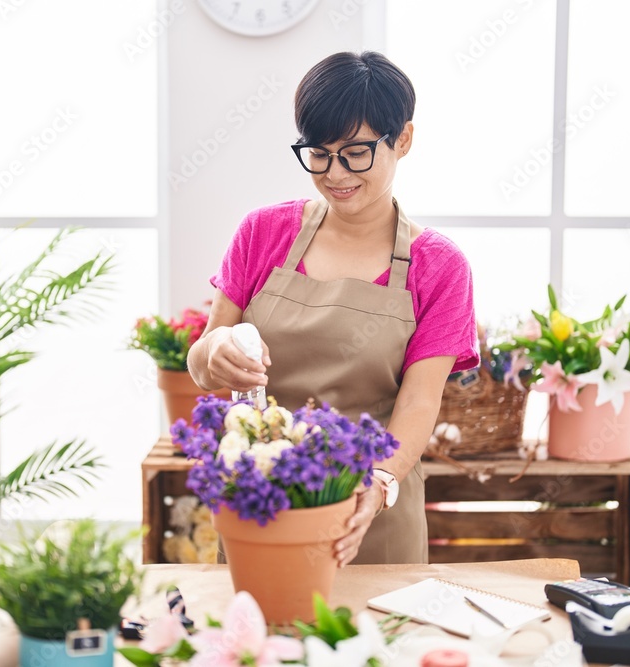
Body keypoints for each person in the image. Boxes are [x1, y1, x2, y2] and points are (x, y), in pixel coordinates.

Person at [187, 51, 478, 566]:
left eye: (356, 152)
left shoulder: (439, 266)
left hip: (374, 506)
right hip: (265, 502)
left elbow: (417, 404)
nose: (335, 173)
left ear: (403, 140)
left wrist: (380, 480)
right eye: (318, 153)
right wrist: (215, 353)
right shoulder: (264, 233)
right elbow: (203, 361)